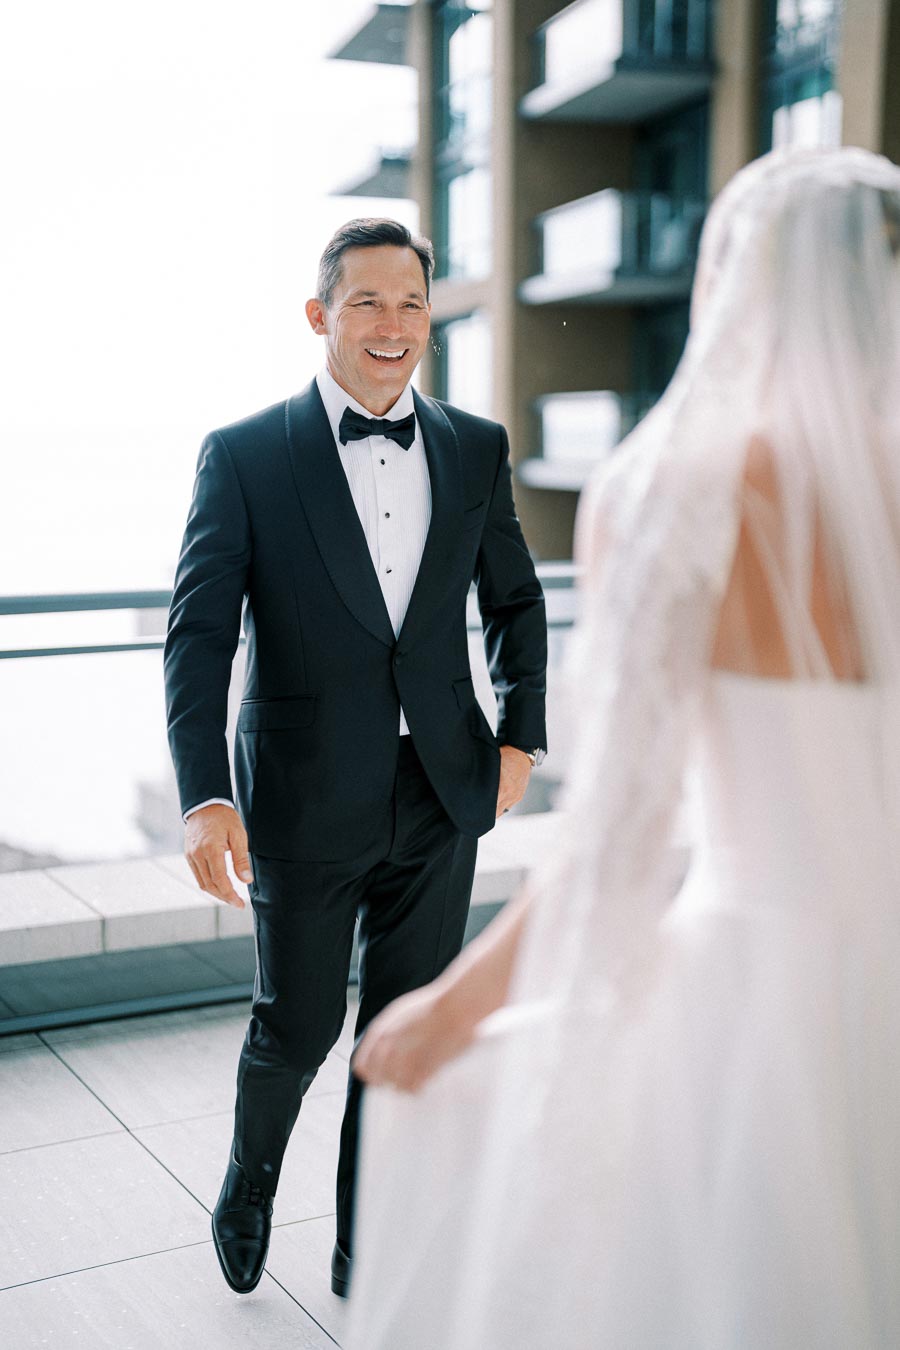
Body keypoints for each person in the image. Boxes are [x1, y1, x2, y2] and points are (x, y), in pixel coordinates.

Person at [348, 148, 900, 1349]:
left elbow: (621, 841)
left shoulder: (683, 488)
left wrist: (451, 1005)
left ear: (736, 284)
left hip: (767, 998)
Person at [163, 218, 548, 1298]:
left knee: (401, 1029)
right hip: (297, 795)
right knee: (297, 1026)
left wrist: (521, 730)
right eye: (368, 303)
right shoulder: (243, 455)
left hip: (441, 788)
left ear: (433, 316)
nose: (393, 326)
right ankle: (249, 1180)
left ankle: (361, 1245)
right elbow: (196, 635)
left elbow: (514, 601)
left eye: (412, 304)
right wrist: (204, 795)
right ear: (319, 315)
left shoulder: (473, 446)